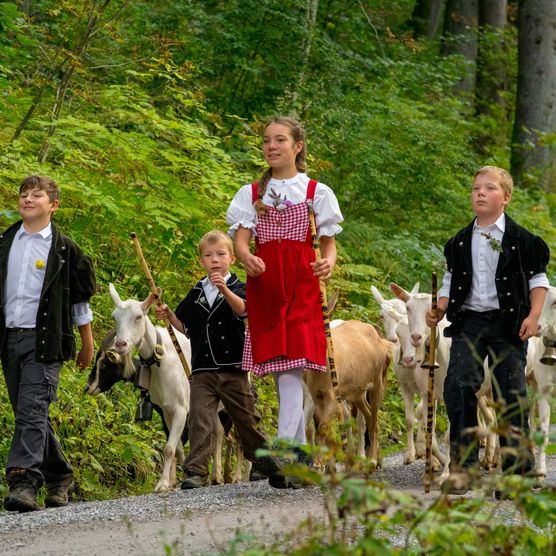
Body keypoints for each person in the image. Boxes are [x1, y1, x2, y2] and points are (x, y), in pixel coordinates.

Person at [226, 116, 343, 482]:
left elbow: (328, 243)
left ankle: (282, 449)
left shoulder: (315, 191)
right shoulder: (251, 192)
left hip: (302, 281)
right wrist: (245, 257)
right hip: (266, 281)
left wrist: (328, 264)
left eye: (279, 140)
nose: (271, 146)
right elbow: (241, 239)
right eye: (266, 141)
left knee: (293, 363)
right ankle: (299, 460)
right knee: (280, 367)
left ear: (298, 146)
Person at [426, 165, 550, 496]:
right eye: (476, 187)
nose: (480, 192)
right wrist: (439, 308)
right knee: (457, 385)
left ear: (505, 198)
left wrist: (534, 315)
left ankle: (515, 473)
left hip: (509, 322)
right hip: (469, 321)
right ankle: (464, 468)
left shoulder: (523, 240)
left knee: (510, 392)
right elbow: (452, 280)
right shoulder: (459, 241)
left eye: (489, 188)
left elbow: (538, 280)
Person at [155, 230, 282, 489]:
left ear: (232, 259)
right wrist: (168, 315)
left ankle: (264, 461)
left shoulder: (239, 287)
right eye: (208, 256)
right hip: (202, 368)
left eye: (221, 254)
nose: (215, 260)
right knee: (199, 418)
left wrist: (224, 289)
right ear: (201, 261)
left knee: (245, 417)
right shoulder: (196, 292)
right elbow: (185, 327)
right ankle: (196, 471)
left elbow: (243, 310)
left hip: (233, 367)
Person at [0, 175, 96, 512]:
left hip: (47, 342)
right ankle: (59, 475)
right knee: (30, 412)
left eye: (36, 195)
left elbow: (78, 302)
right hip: (9, 339)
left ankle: (24, 482)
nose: (27, 199)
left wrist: (87, 343)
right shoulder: (5, 243)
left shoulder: (65, 250)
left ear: (53, 205)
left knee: (30, 411)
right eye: (23, 194)